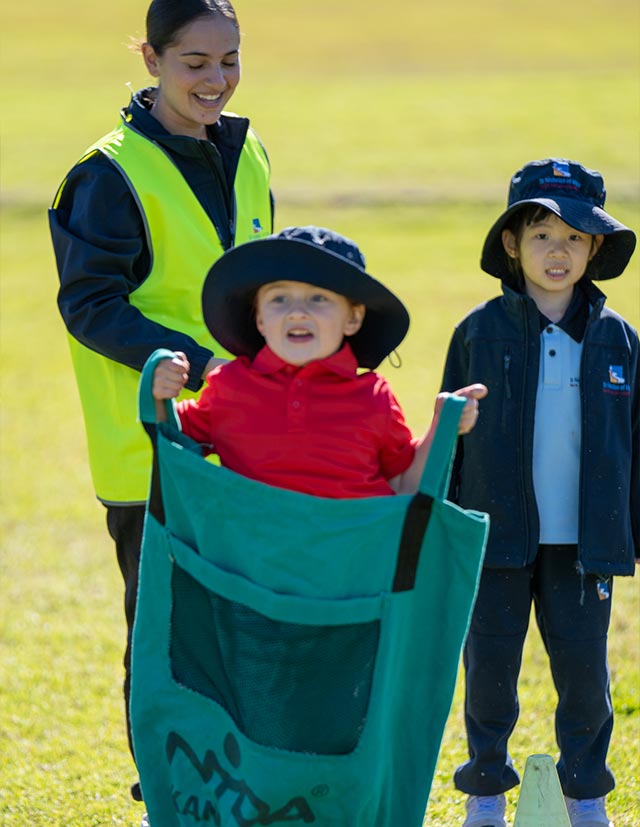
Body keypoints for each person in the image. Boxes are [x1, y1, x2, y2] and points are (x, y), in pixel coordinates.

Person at [48, 0, 273, 804]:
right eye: (194, 63)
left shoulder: (250, 156)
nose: (216, 79)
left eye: (230, 59)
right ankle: (173, 792)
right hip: (152, 450)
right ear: (149, 58)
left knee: (244, 625)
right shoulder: (106, 174)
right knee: (165, 638)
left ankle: (235, 785)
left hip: (247, 440)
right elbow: (91, 305)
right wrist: (200, 365)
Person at [440, 159, 638, 827]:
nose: (559, 251)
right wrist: (439, 527)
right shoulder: (477, 332)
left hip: (584, 544)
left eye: (576, 237)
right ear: (510, 244)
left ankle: (586, 800)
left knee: (585, 678)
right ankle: (486, 798)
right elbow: (449, 439)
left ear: (597, 248)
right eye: (543, 234)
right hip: (495, 538)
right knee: (489, 672)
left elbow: (634, 446)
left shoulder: (617, 339)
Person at [152, 225, 488, 497]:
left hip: (350, 571)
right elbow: (171, 441)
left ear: (353, 319)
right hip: (253, 573)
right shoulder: (230, 385)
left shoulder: (373, 398)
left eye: (318, 298)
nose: (297, 311)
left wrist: (442, 427)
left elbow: (404, 487)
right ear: (259, 320)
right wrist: (158, 394)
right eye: (279, 298)